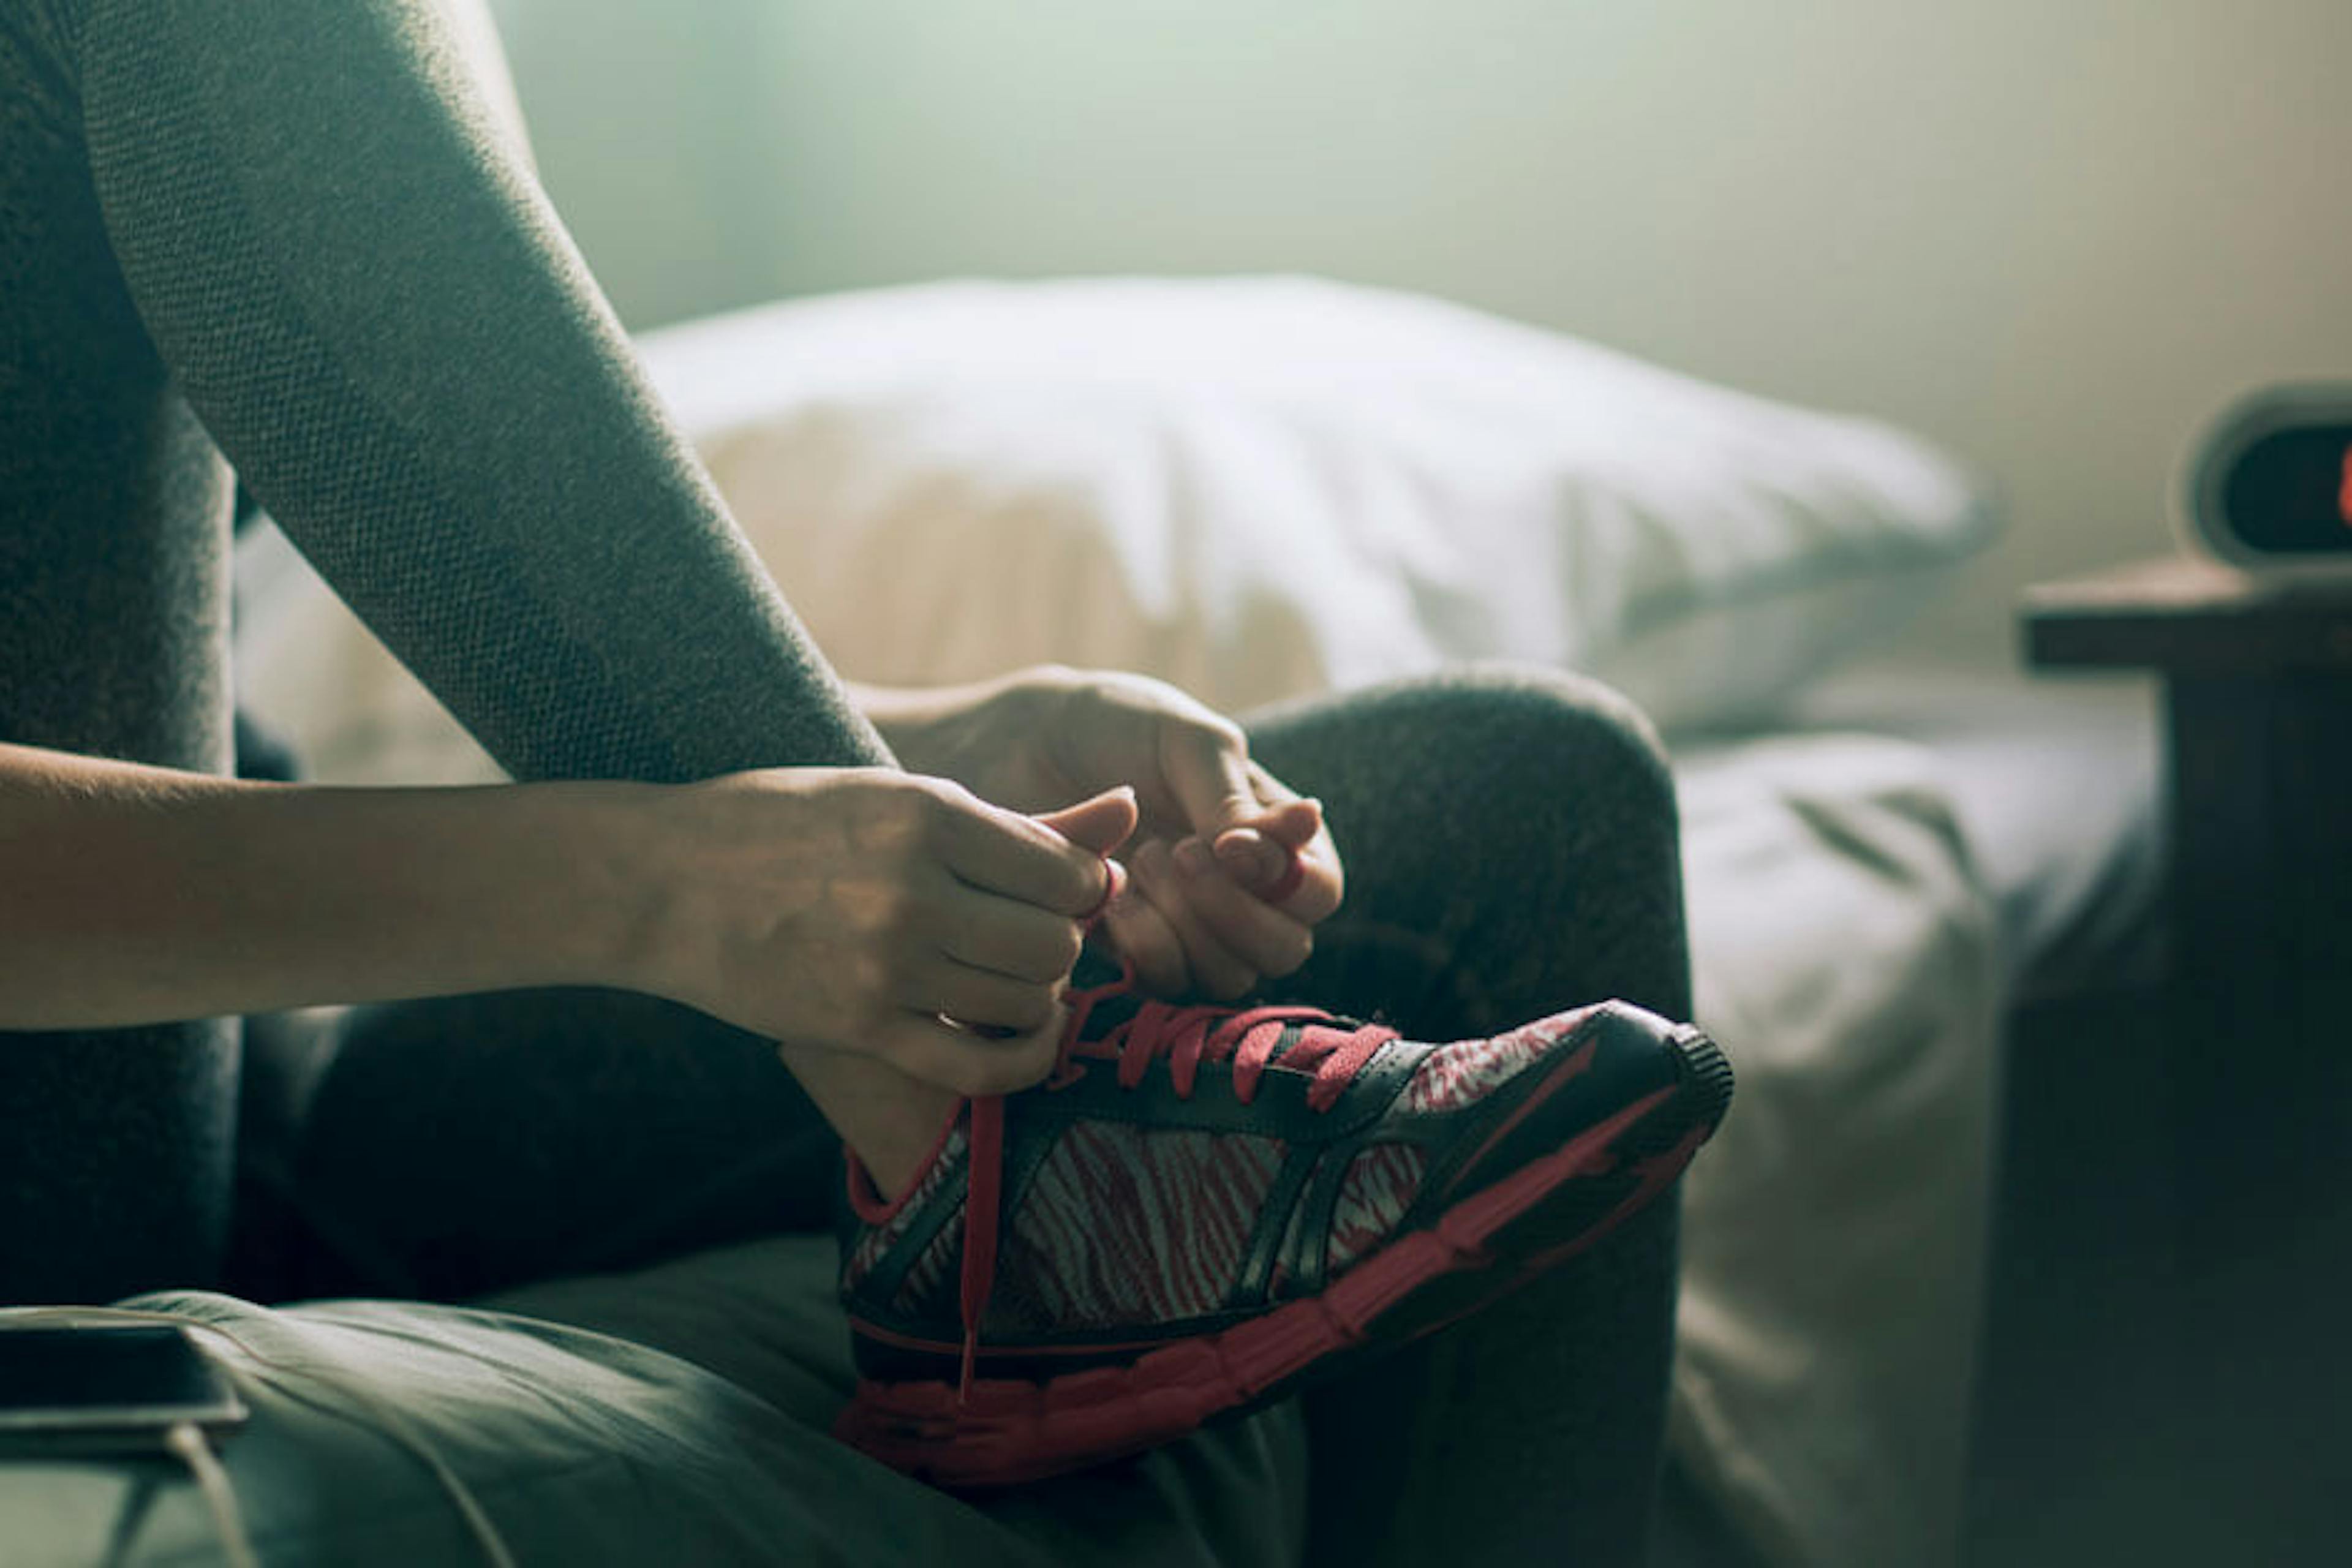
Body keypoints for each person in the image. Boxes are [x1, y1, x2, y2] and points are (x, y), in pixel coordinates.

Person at [0, 1, 1726, 1562]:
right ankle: (995, 1164)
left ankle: (993, 1150)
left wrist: (884, 763)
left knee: (1523, 810)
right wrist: (665, 879)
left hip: (256, 1081)